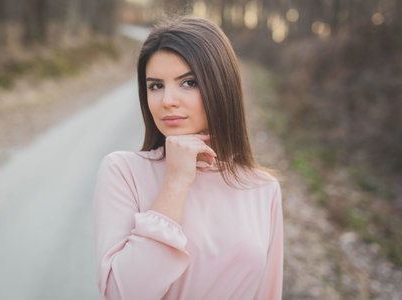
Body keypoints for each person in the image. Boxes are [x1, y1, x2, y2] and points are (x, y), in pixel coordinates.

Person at [93, 16, 283, 300]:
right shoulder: (123, 172)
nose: (167, 99)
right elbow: (122, 294)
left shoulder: (263, 189)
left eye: (188, 82)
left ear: (221, 86)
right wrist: (176, 182)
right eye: (155, 85)